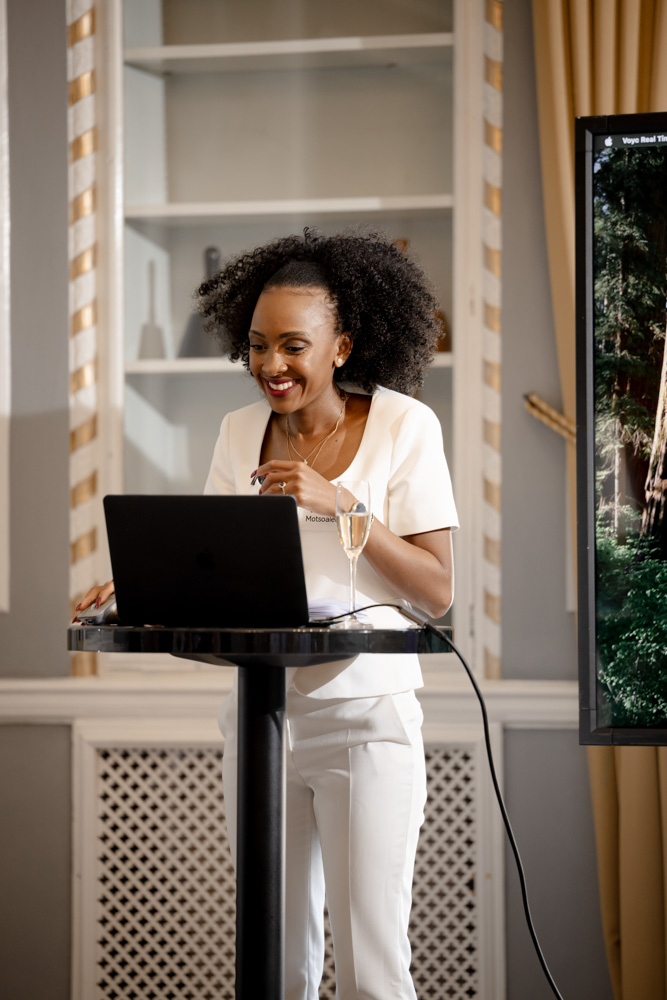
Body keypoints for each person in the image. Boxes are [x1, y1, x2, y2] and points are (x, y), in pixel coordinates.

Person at [78, 229, 459, 1000]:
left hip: (365, 723)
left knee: (371, 973)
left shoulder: (404, 426)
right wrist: (143, 583)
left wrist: (343, 505)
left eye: (293, 346)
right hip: (262, 720)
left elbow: (436, 590)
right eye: (257, 345)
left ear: (342, 346)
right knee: (276, 967)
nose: (270, 365)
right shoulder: (236, 431)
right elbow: (217, 566)